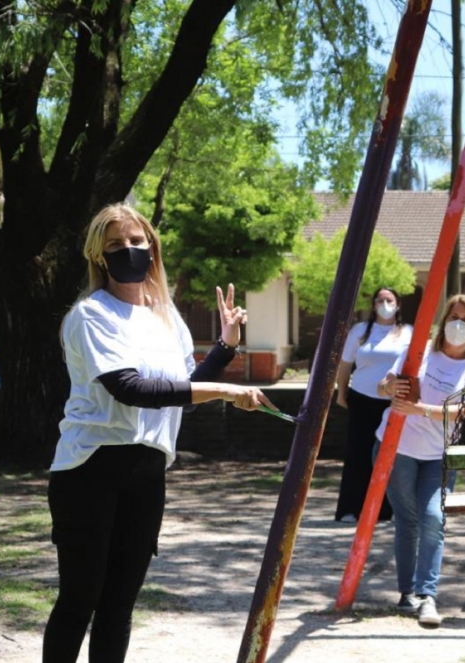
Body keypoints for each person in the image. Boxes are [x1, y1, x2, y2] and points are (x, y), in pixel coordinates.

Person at [43, 204, 276, 663]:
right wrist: (226, 390)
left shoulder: (165, 314)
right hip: (91, 468)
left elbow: (184, 382)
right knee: (80, 599)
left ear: (152, 246)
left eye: (136, 241)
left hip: (147, 470)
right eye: (115, 245)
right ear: (98, 257)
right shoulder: (92, 315)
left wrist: (226, 346)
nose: (128, 250)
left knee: (119, 604)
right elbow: (132, 389)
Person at [374, 294, 465, 628]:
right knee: (407, 519)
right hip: (397, 447)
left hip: (438, 456)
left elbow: (463, 412)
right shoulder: (421, 350)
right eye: (453, 316)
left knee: (433, 518)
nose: (458, 324)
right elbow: (384, 385)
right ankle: (407, 592)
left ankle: (428, 596)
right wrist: (390, 386)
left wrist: (419, 409)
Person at [333, 287, 413, 523]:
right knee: (358, 453)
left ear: (398, 304)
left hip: (394, 403)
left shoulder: (408, 333)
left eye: (389, 300)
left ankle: (387, 511)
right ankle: (351, 509)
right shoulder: (359, 331)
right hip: (361, 399)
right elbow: (345, 365)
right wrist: (342, 391)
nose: (384, 303)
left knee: (391, 457)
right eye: (379, 300)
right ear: (373, 304)